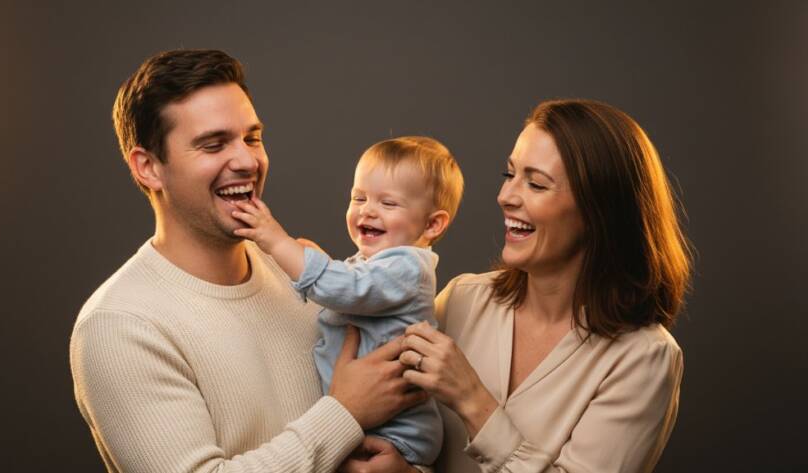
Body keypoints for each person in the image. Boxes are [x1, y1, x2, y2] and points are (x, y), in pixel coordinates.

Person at [69, 49, 427, 473]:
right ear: (148, 167)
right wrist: (345, 413)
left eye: (252, 138)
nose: (247, 161)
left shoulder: (301, 272)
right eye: (214, 144)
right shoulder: (120, 325)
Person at [395, 99, 691, 472]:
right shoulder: (463, 299)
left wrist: (473, 400)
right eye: (509, 175)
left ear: (598, 212)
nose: (506, 197)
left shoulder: (644, 358)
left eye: (536, 184)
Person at [229, 136, 465, 466]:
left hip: (399, 433)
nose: (368, 210)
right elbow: (354, 290)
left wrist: (278, 242)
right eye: (359, 198)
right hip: (361, 420)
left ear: (432, 224)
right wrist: (323, 263)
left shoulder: (410, 268)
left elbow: (350, 290)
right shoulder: (373, 265)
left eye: (389, 203)